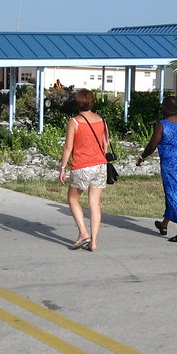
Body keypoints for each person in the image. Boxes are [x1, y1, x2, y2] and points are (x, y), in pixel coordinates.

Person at [135, 96, 177, 243]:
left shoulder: (162, 124)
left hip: (170, 161)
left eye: (163, 105)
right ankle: (164, 224)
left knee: (173, 194)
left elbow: (152, 145)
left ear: (168, 107)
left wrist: (142, 157)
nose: (161, 108)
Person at [59, 88, 109, 251]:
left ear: (77, 102)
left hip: (82, 165)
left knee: (73, 199)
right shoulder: (101, 119)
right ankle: (94, 241)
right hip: (100, 165)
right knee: (94, 203)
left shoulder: (74, 122)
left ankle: (83, 233)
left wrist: (63, 167)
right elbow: (105, 143)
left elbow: (68, 147)